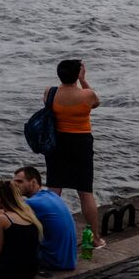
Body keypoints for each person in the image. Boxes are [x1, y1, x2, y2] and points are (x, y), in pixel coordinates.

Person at [44, 59, 103, 248]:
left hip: (57, 143)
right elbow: (96, 103)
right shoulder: (88, 95)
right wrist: (83, 80)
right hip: (81, 143)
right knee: (85, 191)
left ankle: (49, 236)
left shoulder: (50, 92)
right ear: (78, 74)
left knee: (54, 189)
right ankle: (94, 238)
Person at [12, 165, 78, 271]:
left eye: (20, 182)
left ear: (33, 182)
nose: (15, 186)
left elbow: (7, 226)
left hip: (54, 261)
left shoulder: (31, 203)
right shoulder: (51, 195)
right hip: (69, 259)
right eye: (14, 182)